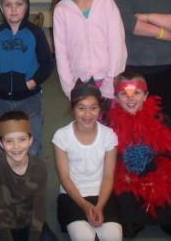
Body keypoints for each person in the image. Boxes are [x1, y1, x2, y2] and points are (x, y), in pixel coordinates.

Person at [108, 70, 171, 238]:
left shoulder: (160, 119)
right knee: (128, 230)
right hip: (128, 179)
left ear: (145, 96)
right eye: (124, 94)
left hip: (158, 176)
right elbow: (107, 159)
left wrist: (159, 164)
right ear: (116, 98)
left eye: (136, 93)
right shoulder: (110, 124)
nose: (130, 99)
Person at [52, 79, 123, 241]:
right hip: (73, 195)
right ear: (72, 109)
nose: (88, 114)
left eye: (93, 108)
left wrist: (99, 206)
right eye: (81, 108)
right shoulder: (61, 136)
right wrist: (85, 206)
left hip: (102, 193)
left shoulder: (108, 135)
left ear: (100, 109)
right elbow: (65, 178)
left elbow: (108, 176)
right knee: (84, 238)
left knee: (113, 237)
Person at [0, 0, 54, 156]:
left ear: (27, 6)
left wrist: (31, 83)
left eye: (19, 4)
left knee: (32, 146)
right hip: (0, 100)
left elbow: (47, 63)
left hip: (29, 100)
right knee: (0, 143)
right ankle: (8, 179)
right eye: (8, 5)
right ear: (2, 8)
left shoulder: (35, 33)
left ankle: (30, 179)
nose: (14, 9)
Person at [52, 0, 127, 102]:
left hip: (109, 79)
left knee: (110, 123)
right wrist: (70, 89)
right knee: (87, 124)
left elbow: (117, 44)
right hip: (80, 85)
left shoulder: (105, 1)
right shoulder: (61, 10)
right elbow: (61, 54)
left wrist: (109, 83)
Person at [0, 111, 59, 241]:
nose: (16, 146)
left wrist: (34, 236)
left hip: (30, 223)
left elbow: (39, 206)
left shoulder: (39, 167)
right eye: (9, 141)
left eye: (22, 139)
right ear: (1, 144)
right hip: (2, 226)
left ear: (31, 140)